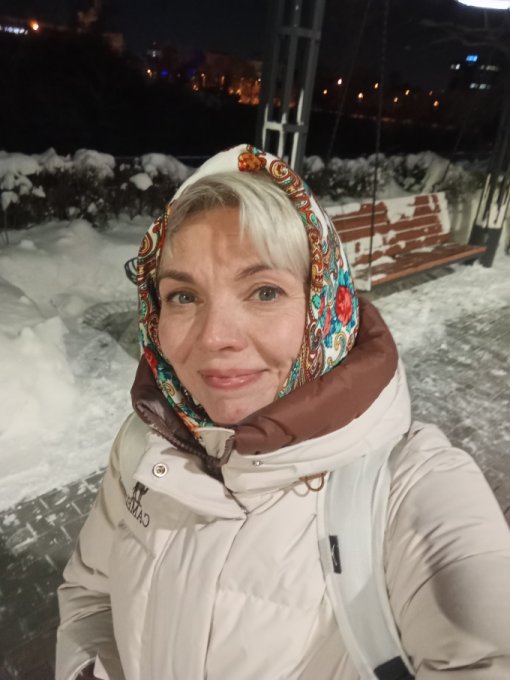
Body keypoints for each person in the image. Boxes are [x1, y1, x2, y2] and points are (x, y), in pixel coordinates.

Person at [56, 144, 510, 680]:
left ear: (323, 305)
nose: (215, 337)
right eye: (183, 296)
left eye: (265, 291)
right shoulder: (143, 446)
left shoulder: (412, 486)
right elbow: (90, 595)